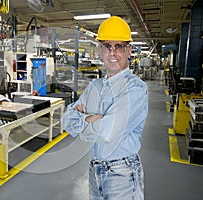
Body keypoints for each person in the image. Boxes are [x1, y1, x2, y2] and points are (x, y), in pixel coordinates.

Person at [61, 16, 148, 200]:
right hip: (95, 170)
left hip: (122, 174)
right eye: (107, 46)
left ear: (129, 50)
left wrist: (83, 125)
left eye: (119, 46)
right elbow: (66, 119)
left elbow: (108, 132)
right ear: (100, 51)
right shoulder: (95, 87)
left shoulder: (136, 89)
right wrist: (92, 119)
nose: (112, 53)